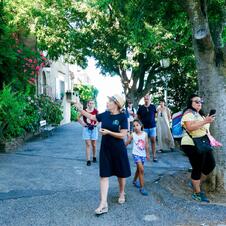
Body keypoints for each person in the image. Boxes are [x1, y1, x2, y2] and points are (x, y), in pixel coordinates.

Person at [74, 94, 131, 215]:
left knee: (120, 173)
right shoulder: (105, 114)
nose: (107, 103)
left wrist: (109, 132)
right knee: (104, 174)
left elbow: (123, 135)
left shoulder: (122, 117)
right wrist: (79, 109)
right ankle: (103, 204)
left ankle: (121, 192)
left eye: (109, 101)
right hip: (105, 149)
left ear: (116, 104)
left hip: (118, 149)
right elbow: (91, 116)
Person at [181, 94, 216, 202]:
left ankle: (196, 184)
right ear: (190, 103)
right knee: (197, 167)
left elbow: (204, 129)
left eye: (200, 101)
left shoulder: (199, 114)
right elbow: (190, 128)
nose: (199, 103)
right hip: (191, 143)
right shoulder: (188, 113)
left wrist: (212, 138)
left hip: (203, 142)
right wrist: (206, 121)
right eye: (196, 101)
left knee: (210, 164)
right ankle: (197, 193)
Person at [125, 119, 150, 196]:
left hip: (142, 154)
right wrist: (122, 148)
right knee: (141, 170)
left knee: (138, 169)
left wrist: (147, 154)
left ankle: (134, 181)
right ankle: (142, 188)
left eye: (137, 125)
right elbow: (127, 142)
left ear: (141, 126)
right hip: (136, 154)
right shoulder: (133, 135)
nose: (135, 127)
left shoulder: (145, 134)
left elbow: (146, 145)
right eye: (134, 126)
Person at [137, 94, 158, 162]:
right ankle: (146, 155)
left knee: (153, 141)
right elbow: (138, 117)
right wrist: (141, 124)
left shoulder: (153, 107)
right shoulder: (141, 108)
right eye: (145, 99)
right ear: (144, 99)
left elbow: (155, 115)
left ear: (150, 99)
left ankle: (154, 156)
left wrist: (152, 121)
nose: (146, 100)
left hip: (152, 127)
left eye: (147, 99)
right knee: (145, 142)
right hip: (145, 128)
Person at [77, 100, 98, 166]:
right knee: (88, 144)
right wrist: (82, 123)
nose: (91, 104)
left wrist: (96, 124)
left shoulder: (96, 111)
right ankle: (88, 160)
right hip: (86, 129)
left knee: (94, 144)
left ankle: (94, 156)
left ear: (94, 104)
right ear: (88, 104)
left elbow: (99, 119)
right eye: (90, 103)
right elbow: (78, 117)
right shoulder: (84, 111)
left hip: (94, 129)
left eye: (92, 103)